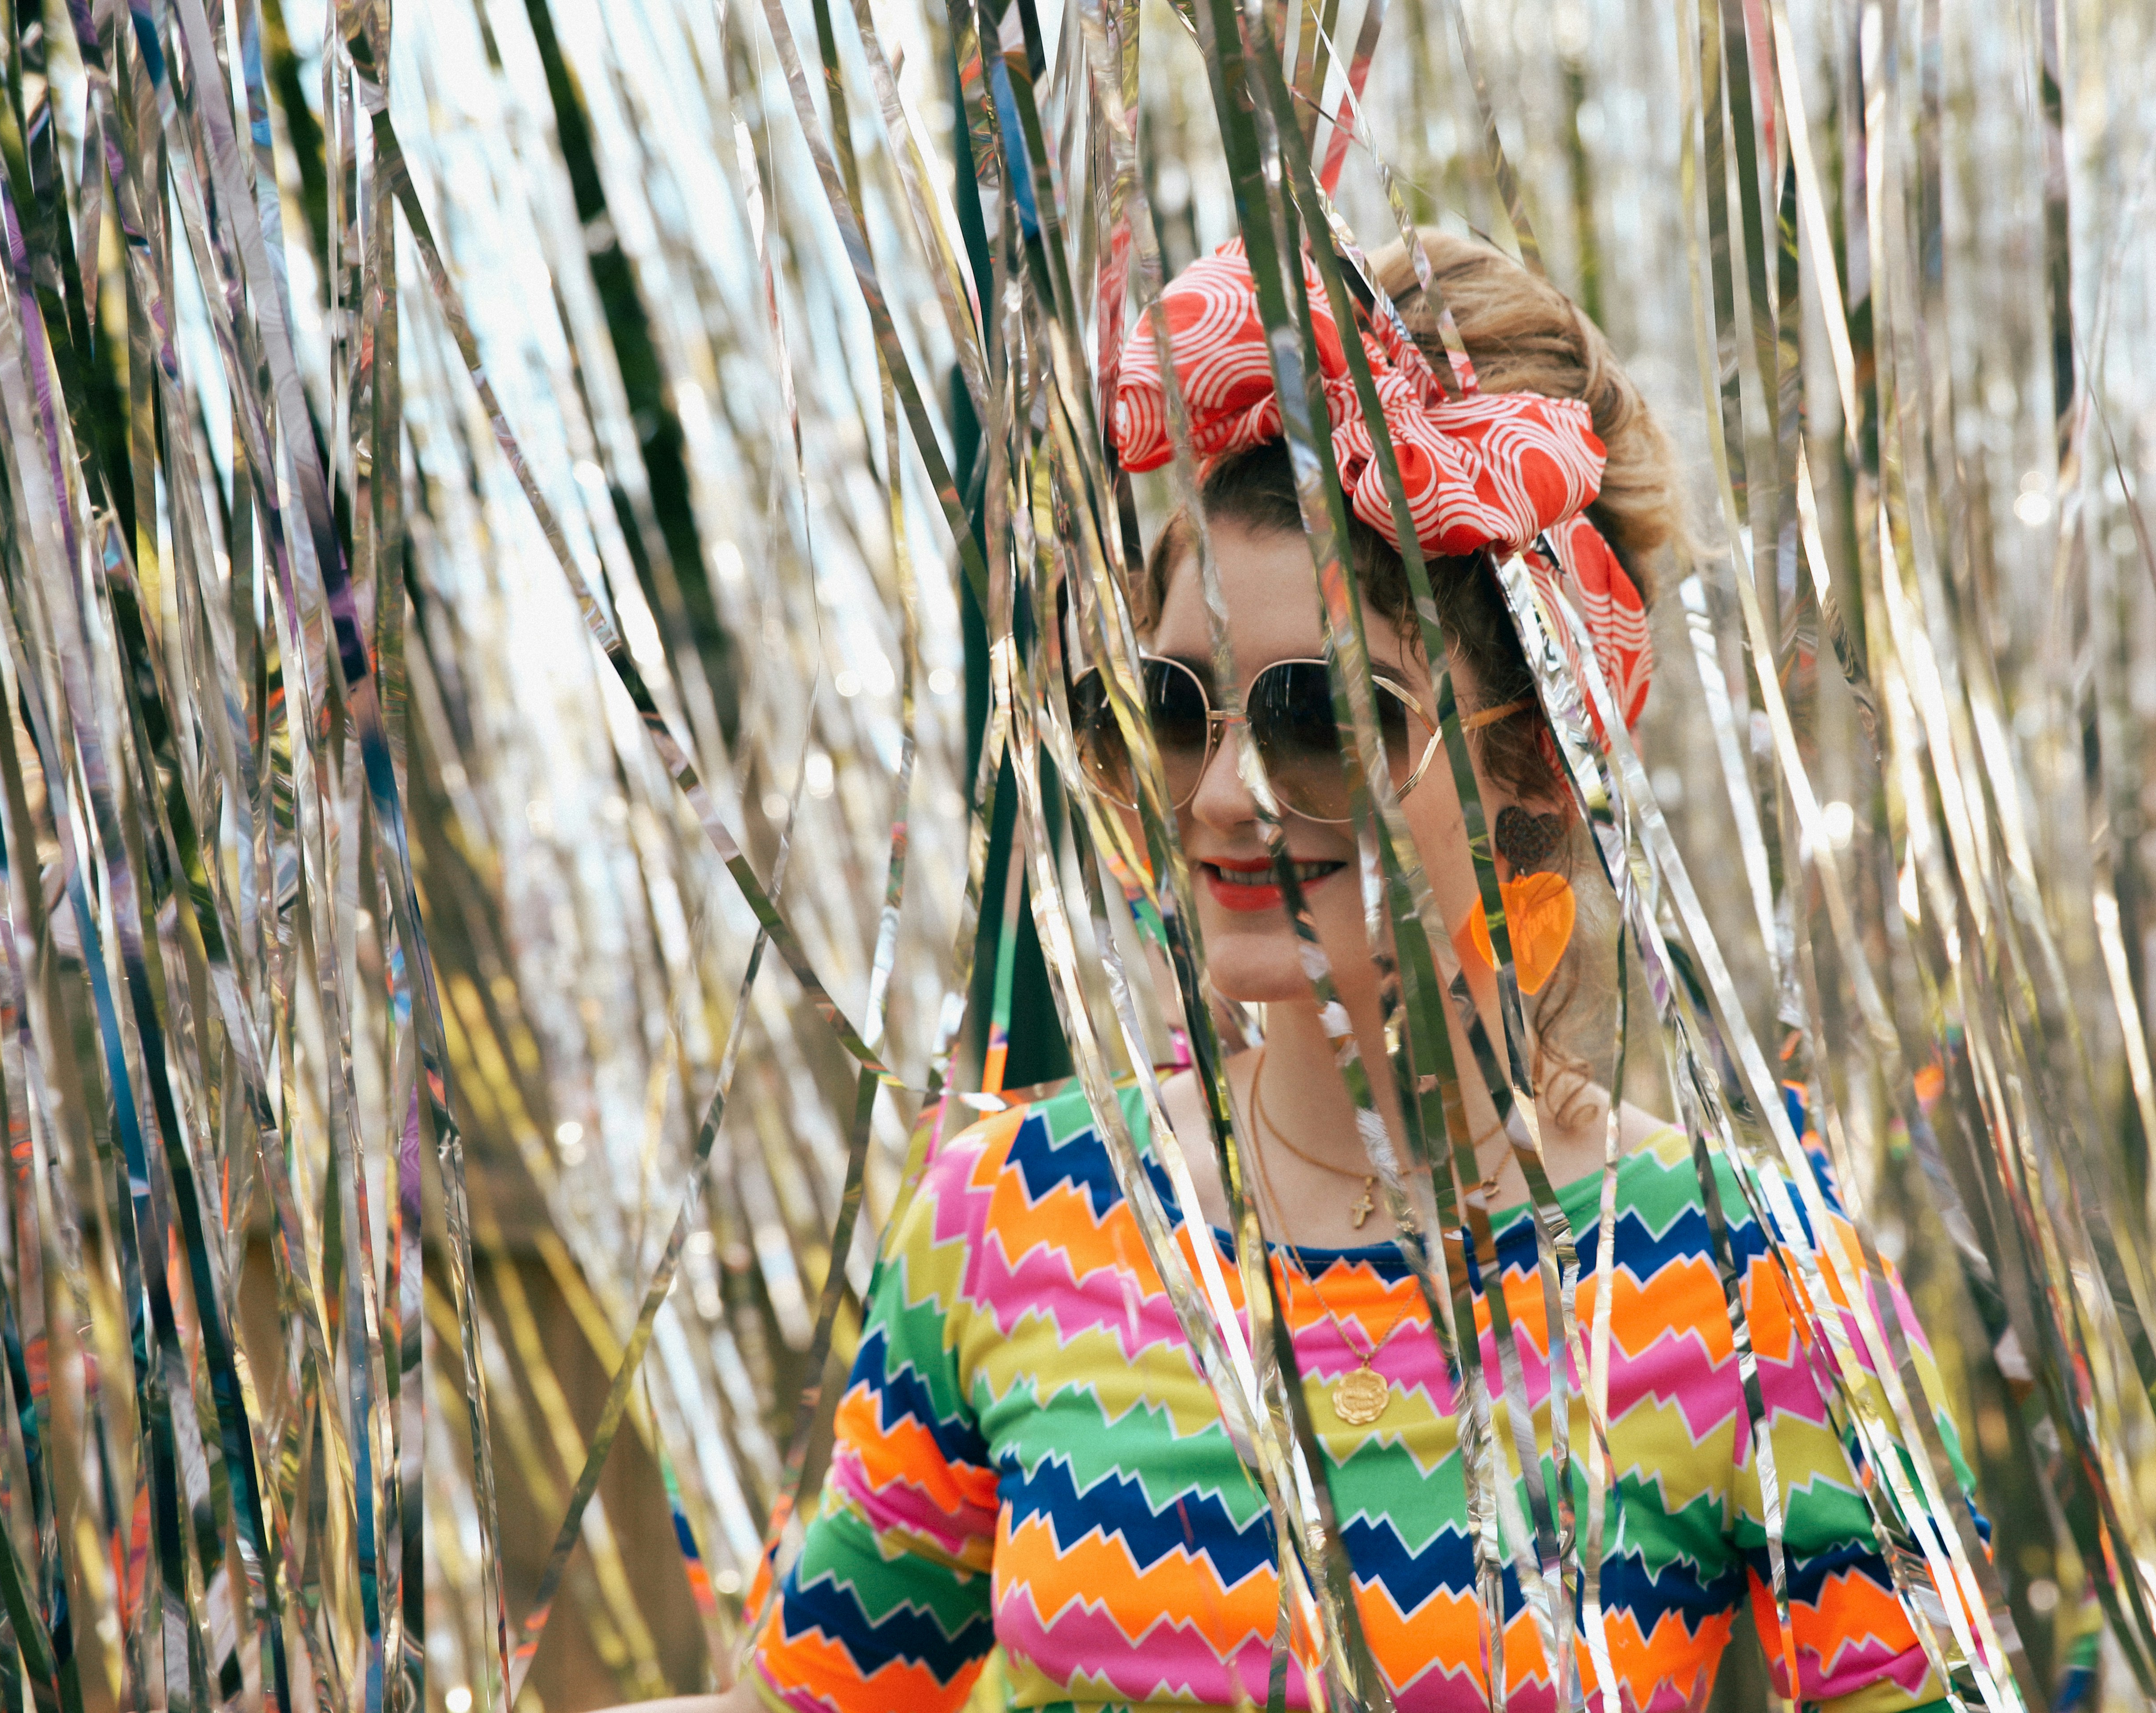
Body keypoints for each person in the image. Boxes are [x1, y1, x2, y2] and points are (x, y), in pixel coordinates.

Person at [613, 234, 1974, 1713]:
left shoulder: (1743, 1275)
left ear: (1542, 761)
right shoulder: (1011, 1214)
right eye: (1171, 710)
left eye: (1326, 719)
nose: (1220, 797)